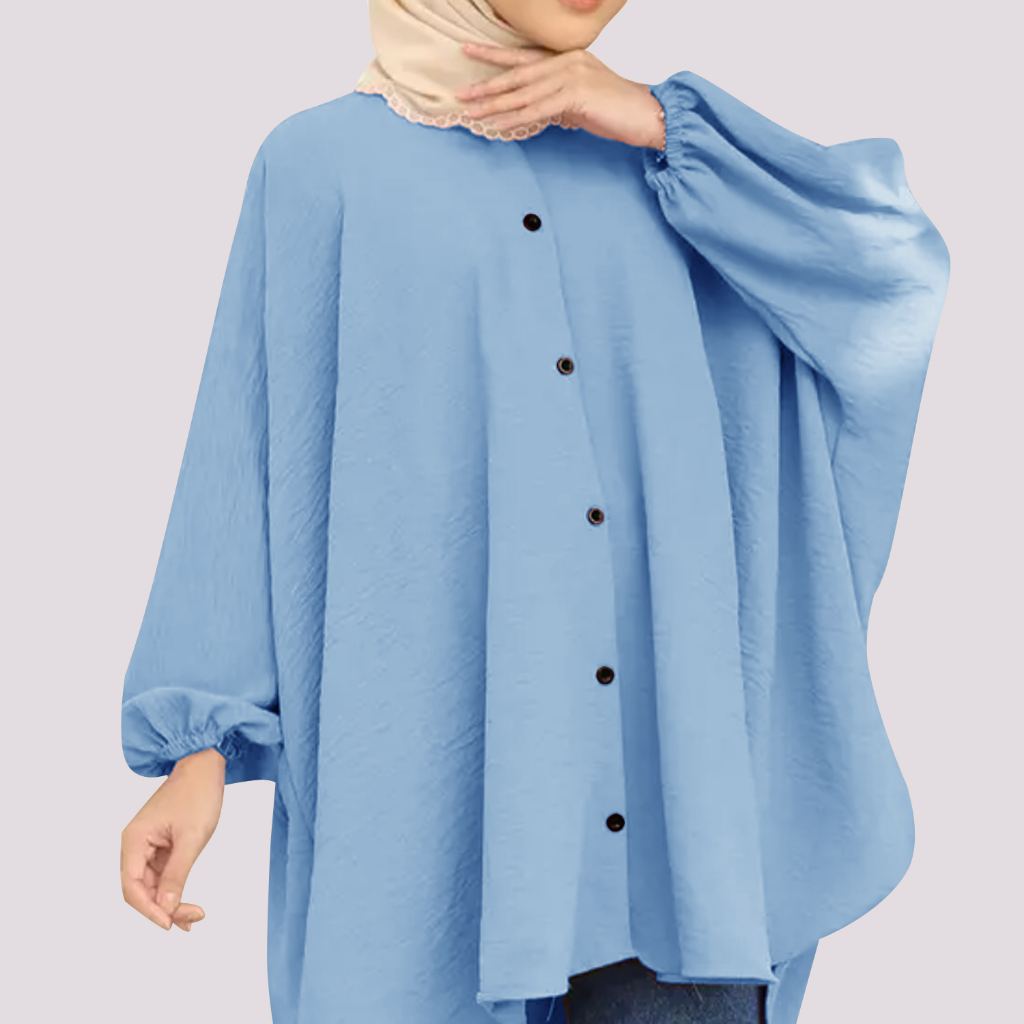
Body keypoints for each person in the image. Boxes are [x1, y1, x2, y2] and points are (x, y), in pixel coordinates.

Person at [118, 2, 950, 1024]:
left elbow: (890, 271)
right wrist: (197, 747)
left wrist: (663, 123)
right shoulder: (319, 168)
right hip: (435, 816)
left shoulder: (676, 169)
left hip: (677, 829)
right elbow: (249, 450)